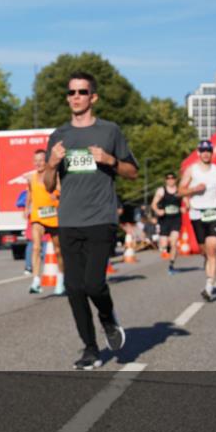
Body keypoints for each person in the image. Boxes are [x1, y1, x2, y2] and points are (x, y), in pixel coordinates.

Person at [43, 72, 138, 370]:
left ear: (93, 97)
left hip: (100, 219)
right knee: (74, 288)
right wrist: (52, 164)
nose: (75, 97)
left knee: (94, 285)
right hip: (69, 220)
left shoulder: (109, 131)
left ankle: (108, 318)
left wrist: (109, 160)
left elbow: (132, 171)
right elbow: (47, 184)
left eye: (82, 92)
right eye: (71, 92)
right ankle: (90, 349)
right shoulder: (58, 136)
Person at [179, 139, 216, 302]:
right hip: (197, 213)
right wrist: (194, 189)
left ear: (212, 152)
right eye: (203, 150)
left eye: (208, 150)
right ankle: (207, 263)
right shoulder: (191, 170)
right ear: (198, 152)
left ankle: (209, 286)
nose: (206, 153)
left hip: (214, 212)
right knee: (204, 251)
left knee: (212, 249)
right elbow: (180, 191)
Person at [27, 149, 64, 295]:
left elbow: (61, 191)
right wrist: (26, 209)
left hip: (54, 216)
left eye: (41, 160)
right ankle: (36, 281)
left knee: (58, 251)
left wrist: (57, 197)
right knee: (36, 247)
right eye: (36, 160)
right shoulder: (31, 178)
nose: (38, 163)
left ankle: (60, 280)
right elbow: (30, 193)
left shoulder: (55, 176)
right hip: (38, 216)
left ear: (47, 161)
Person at [151, 172, 183, 274]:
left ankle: (171, 265)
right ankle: (167, 248)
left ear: (175, 179)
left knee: (174, 242)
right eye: (168, 178)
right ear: (165, 180)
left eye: (172, 178)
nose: (170, 180)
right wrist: (157, 211)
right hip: (164, 219)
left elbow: (187, 202)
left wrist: (185, 207)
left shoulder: (180, 190)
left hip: (176, 219)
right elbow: (153, 204)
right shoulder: (161, 191)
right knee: (164, 244)